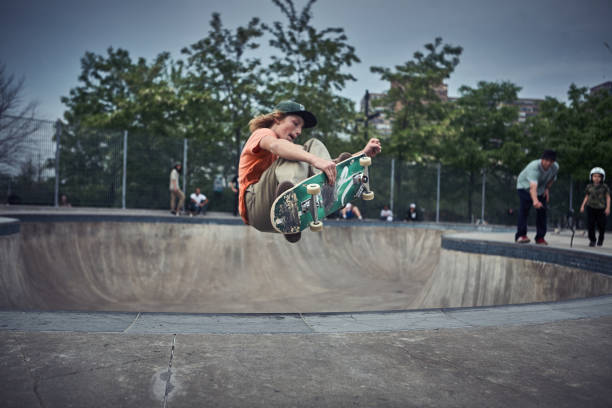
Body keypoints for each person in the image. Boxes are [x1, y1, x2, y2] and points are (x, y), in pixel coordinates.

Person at [238, 100, 381, 243]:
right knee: (299, 152)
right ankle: (291, 202)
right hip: (254, 205)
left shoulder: (289, 151)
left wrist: (362, 154)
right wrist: (314, 160)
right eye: (295, 123)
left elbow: (324, 163)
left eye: (301, 127)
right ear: (277, 119)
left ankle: (326, 188)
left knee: (310, 149)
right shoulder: (263, 133)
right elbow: (276, 145)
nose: (299, 131)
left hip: (271, 217)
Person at [515, 150, 559, 245]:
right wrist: (535, 201)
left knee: (542, 211)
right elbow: (532, 187)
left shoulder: (555, 167)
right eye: (546, 160)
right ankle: (521, 235)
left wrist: (547, 189)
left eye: (551, 161)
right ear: (542, 159)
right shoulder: (534, 167)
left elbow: (552, 178)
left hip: (540, 189)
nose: (548, 163)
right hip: (524, 187)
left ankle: (540, 237)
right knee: (524, 209)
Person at [579, 167, 610, 247]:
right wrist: (582, 206)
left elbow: (608, 197)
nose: (596, 178)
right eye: (595, 176)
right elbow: (586, 196)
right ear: (591, 177)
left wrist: (608, 208)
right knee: (590, 224)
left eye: (599, 176)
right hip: (591, 207)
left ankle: (601, 238)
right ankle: (592, 240)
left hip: (601, 208)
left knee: (601, 225)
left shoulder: (604, 187)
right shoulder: (589, 186)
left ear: (602, 178)